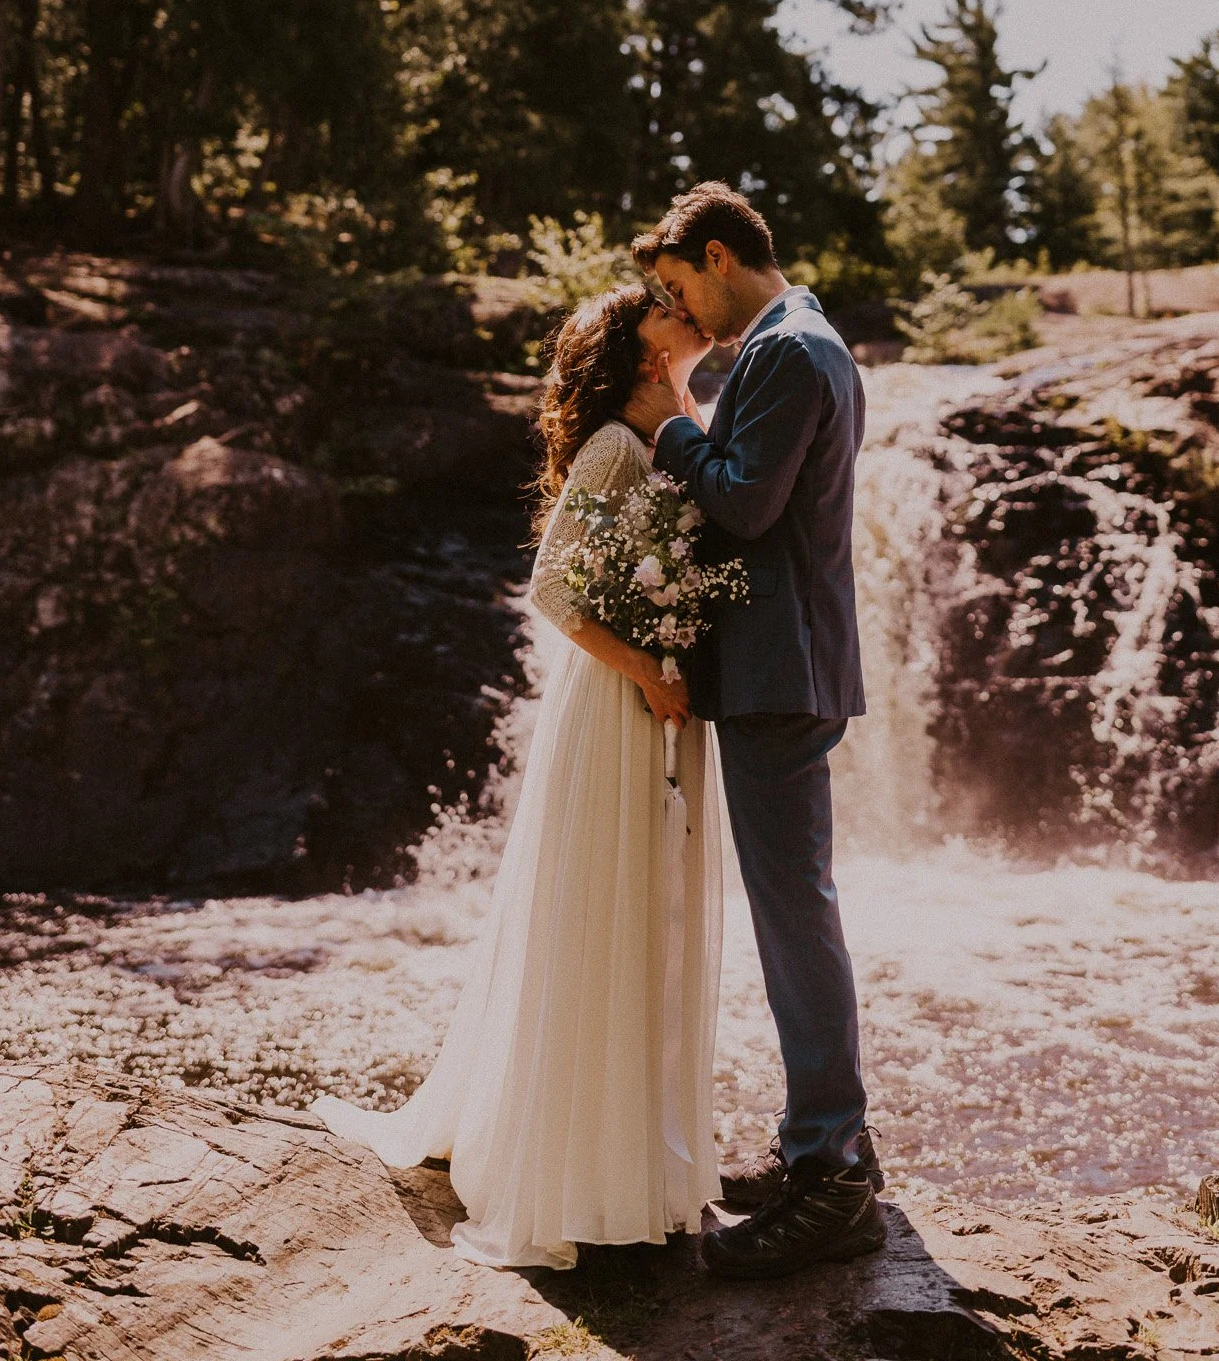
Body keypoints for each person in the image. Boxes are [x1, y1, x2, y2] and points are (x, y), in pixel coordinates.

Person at [312, 284, 723, 1271]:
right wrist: (650, 668)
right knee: (601, 917)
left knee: (655, 922)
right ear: (633, 349)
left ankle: (642, 1162)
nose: (687, 311)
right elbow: (552, 584)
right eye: (667, 308)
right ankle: (576, 1171)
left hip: (668, 697)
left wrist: (716, 610)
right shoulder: (615, 447)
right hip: (619, 704)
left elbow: (704, 565)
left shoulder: (687, 432)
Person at [624, 182, 885, 1281]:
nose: (683, 307)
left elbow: (742, 504)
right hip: (791, 665)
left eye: (681, 285)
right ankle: (820, 1149)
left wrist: (669, 428)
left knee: (794, 917)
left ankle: (830, 1172)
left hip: (783, 672)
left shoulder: (783, 349)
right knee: (798, 910)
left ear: (720, 255)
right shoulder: (812, 339)